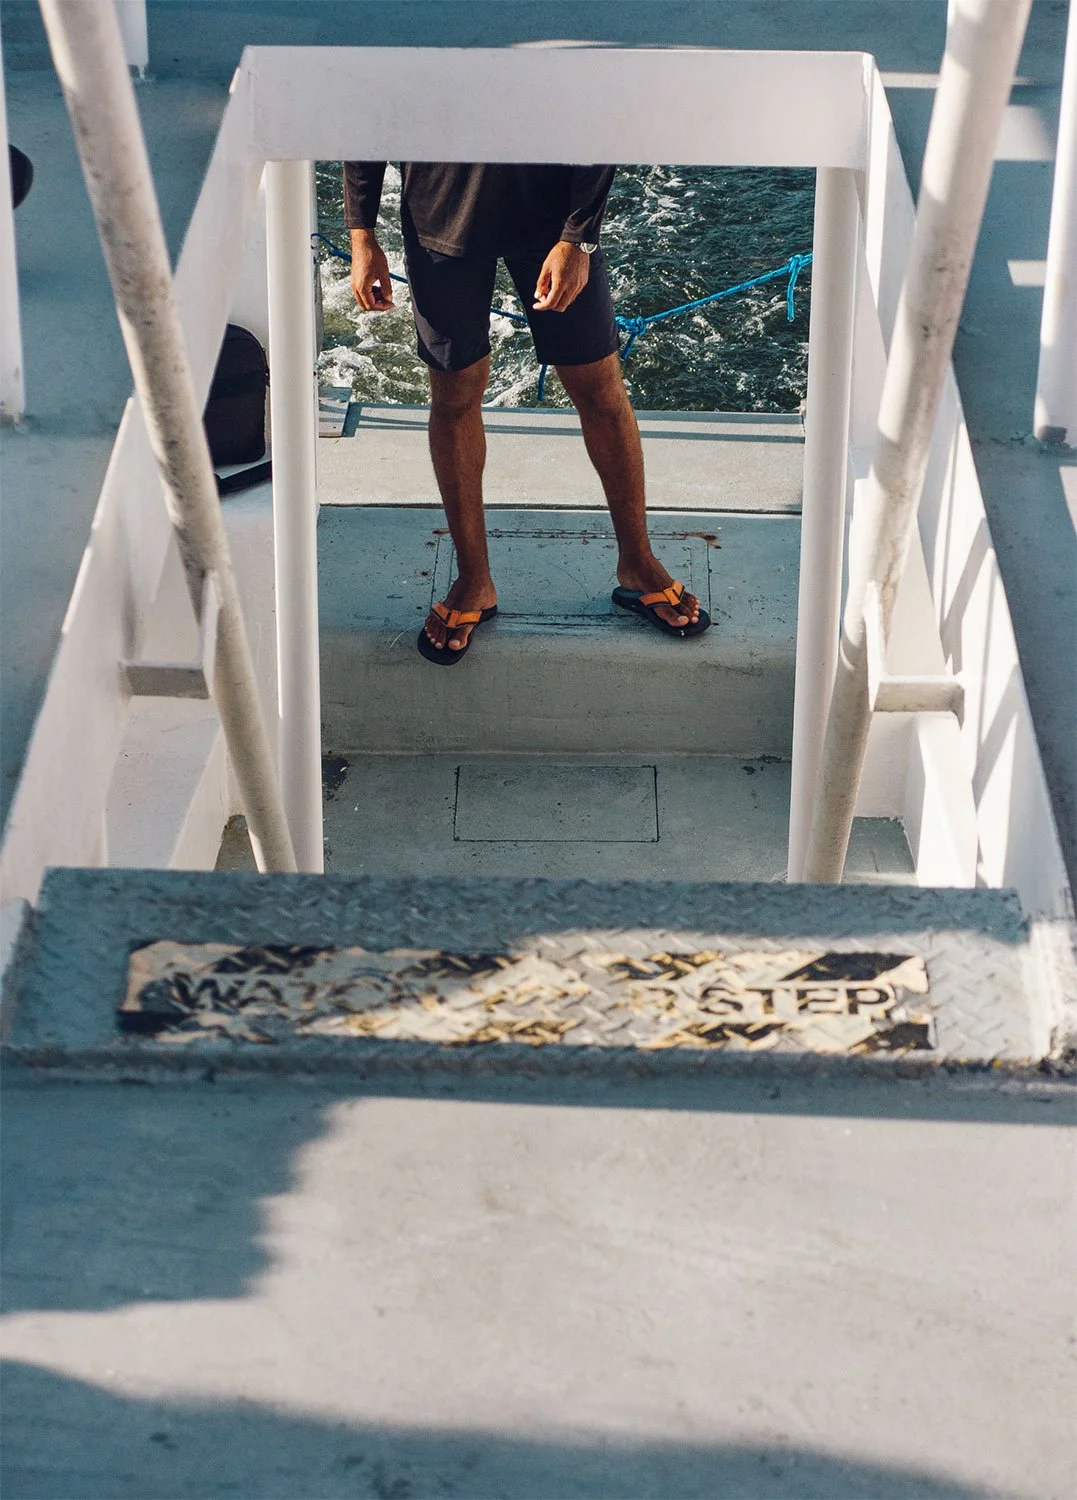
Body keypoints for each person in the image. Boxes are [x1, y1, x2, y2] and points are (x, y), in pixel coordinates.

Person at [345, 160, 709, 663]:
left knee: (600, 391)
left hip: (552, 219)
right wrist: (361, 233)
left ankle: (639, 564)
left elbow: (596, 114)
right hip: (440, 216)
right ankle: (475, 580)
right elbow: (372, 106)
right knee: (453, 398)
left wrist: (579, 238)